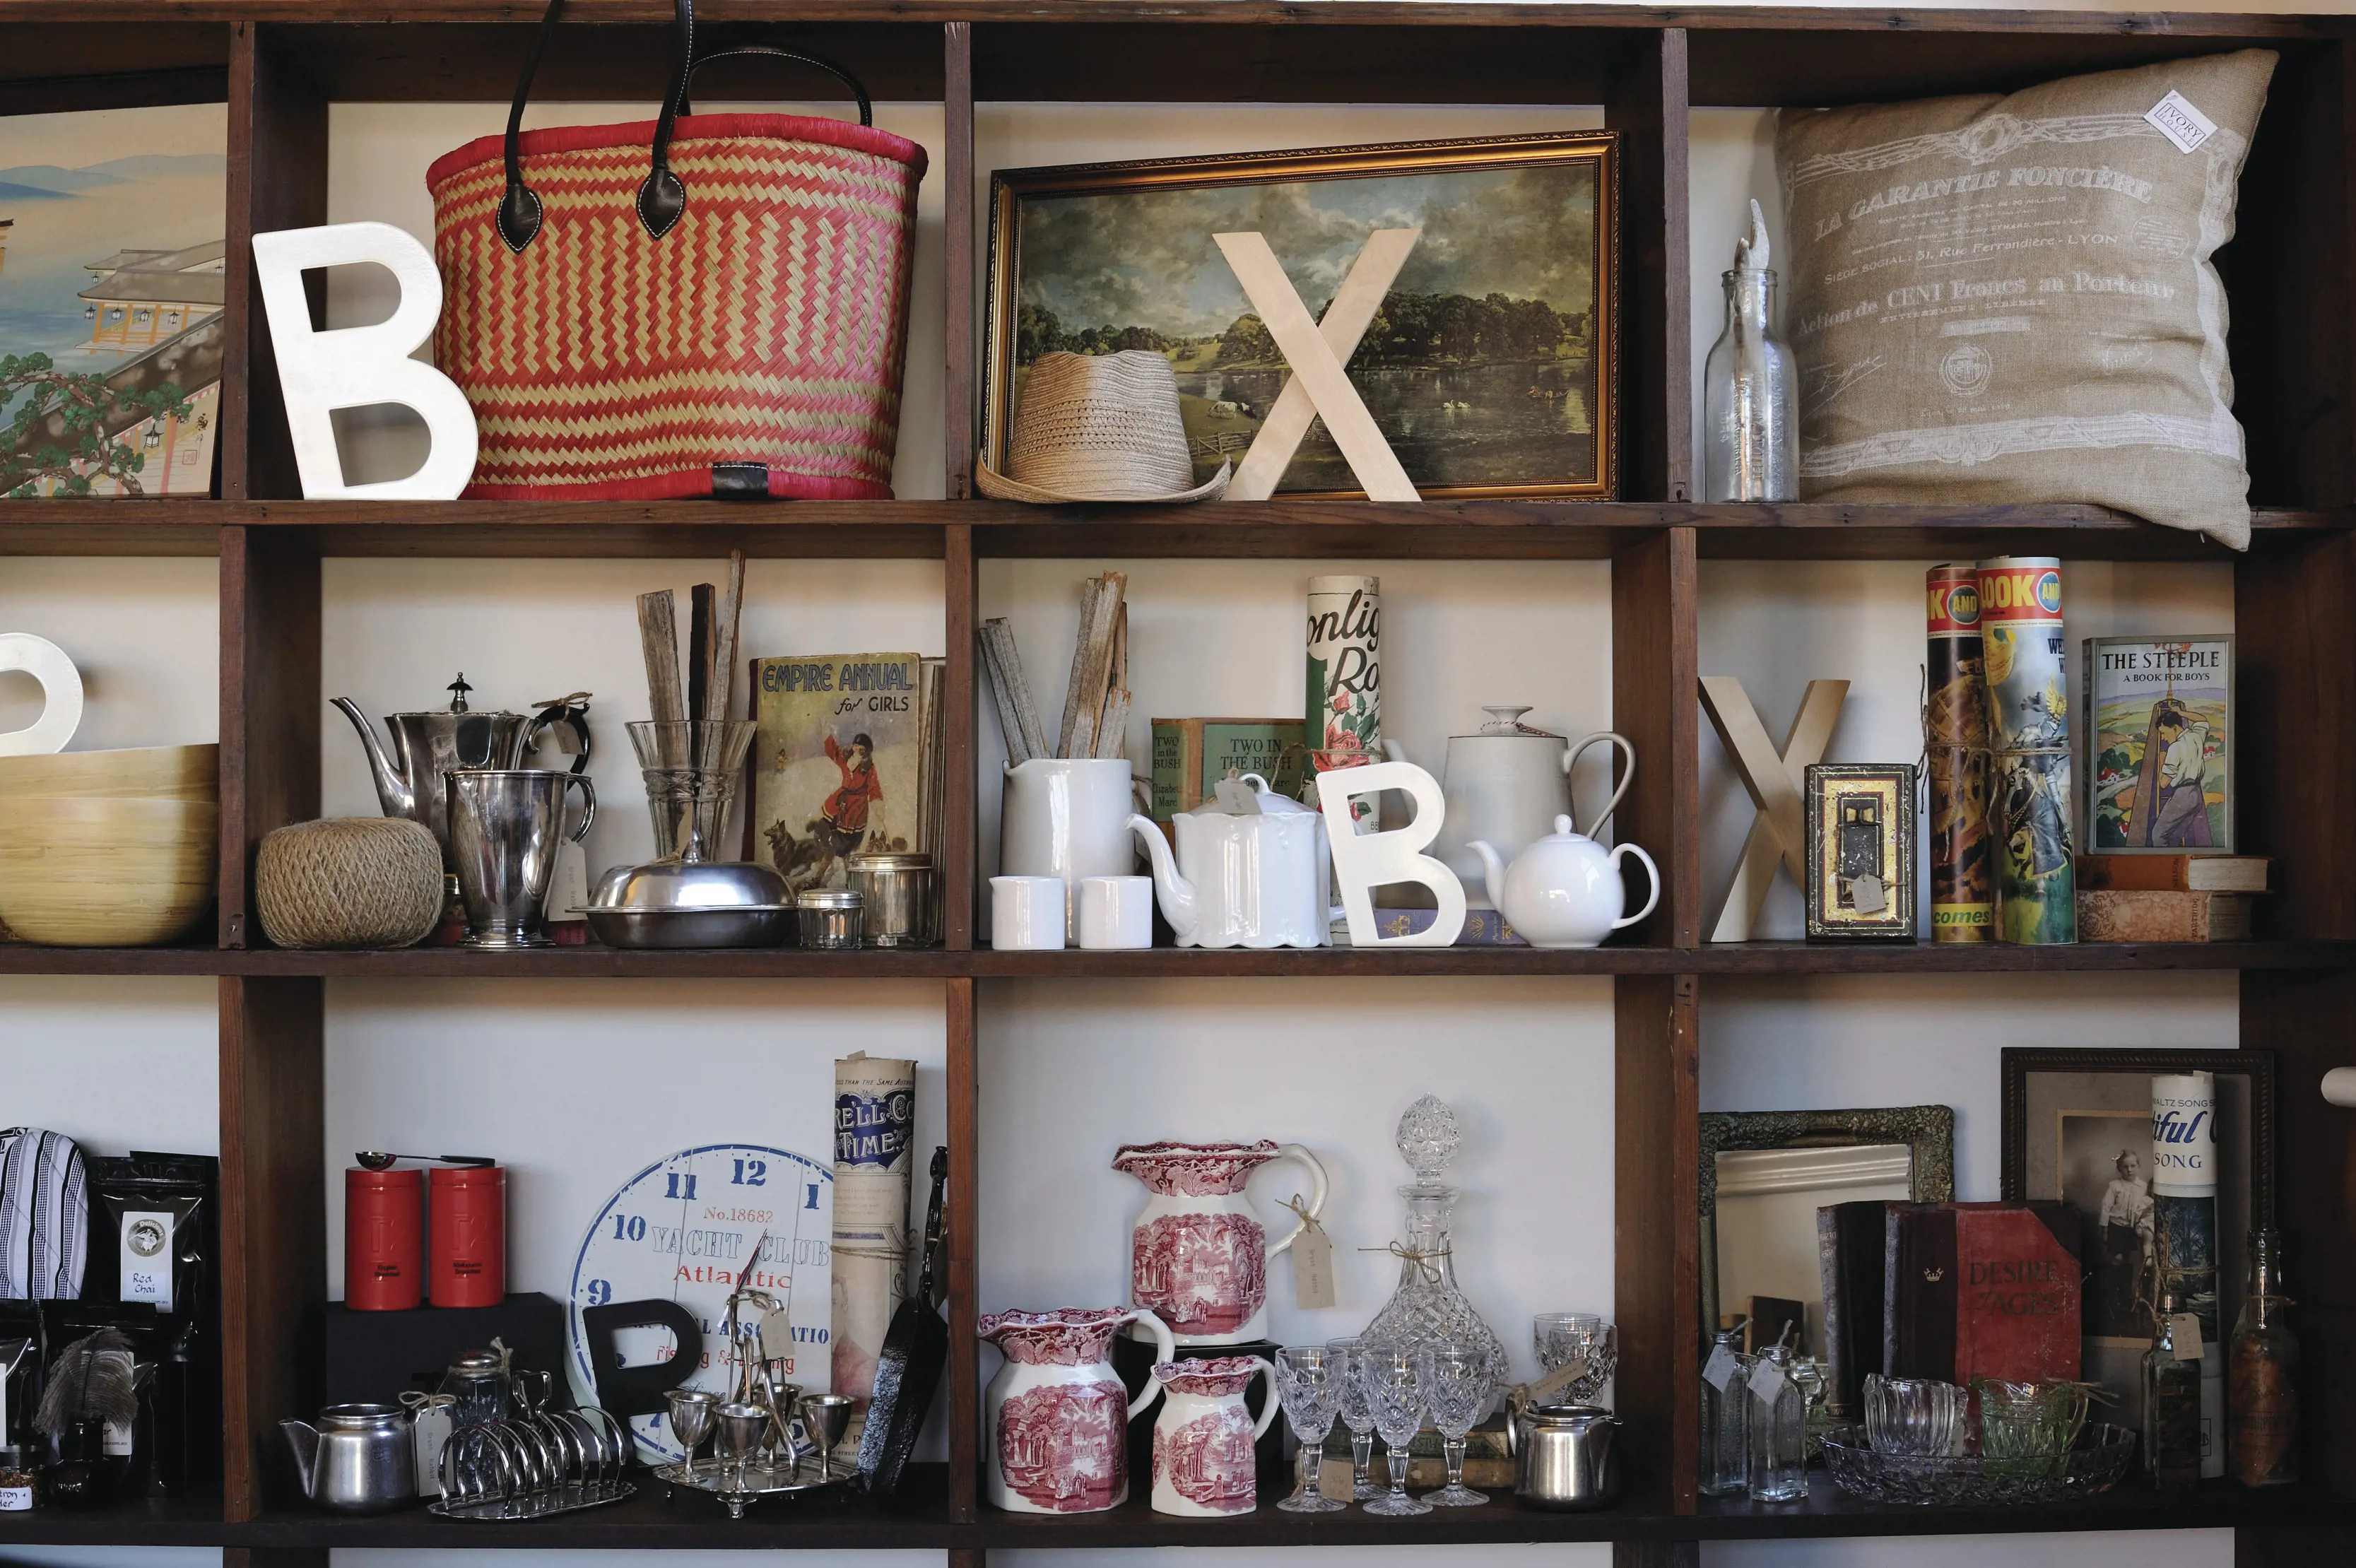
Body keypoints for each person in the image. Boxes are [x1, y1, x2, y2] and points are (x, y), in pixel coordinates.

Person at [2098, 1148, 2155, 1334]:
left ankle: (2126, 1296)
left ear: (2138, 1166)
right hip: (2117, 1227)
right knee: (2118, 1258)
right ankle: (2114, 1293)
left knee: (2130, 1259)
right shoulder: (2115, 1186)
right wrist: (2104, 1230)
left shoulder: (2143, 1186)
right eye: (2125, 1167)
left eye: (2133, 1166)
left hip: (2132, 1229)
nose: (2129, 1170)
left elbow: (2146, 1206)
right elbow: (2106, 1207)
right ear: (2119, 1169)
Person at [2146, 701, 2215, 848]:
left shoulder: (2175, 748)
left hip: (2182, 797)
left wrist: (2162, 761)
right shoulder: (2196, 737)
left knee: (2158, 834)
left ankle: (2164, 861)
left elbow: (2163, 783)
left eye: (2163, 733)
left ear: (2175, 728)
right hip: (2196, 796)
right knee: (2175, 837)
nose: (2163, 738)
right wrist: (2180, 712)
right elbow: (2202, 719)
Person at [818, 731, 883, 860]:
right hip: (842, 799)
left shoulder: (869, 768)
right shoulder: (847, 759)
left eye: (861, 747)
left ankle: (845, 858)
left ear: (866, 751)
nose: (857, 749)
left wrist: (877, 803)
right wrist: (827, 736)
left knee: (848, 840)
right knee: (826, 825)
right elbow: (834, 752)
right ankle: (828, 852)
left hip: (857, 807)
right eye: (855, 745)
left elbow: (874, 787)